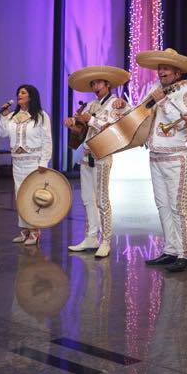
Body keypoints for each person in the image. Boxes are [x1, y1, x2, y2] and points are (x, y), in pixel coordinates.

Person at [136, 49, 187, 273]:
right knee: (163, 205)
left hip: (179, 155)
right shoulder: (160, 91)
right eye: (160, 68)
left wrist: (163, 102)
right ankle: (171, 249)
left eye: (166, 68)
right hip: (157, 154)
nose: (161, 71)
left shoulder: (186, 91)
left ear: (177, 72)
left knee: (178, 206)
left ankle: (186, 254)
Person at [64, 66, 130, 258]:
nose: (95, 86)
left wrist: (90, 120)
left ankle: (106, 240)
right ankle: (91, 236)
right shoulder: (91, 105)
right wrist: (73, 125)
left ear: (107, 84)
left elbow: (115, 129)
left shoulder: (117, 104)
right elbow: (83, 132)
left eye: (98, 82)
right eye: (92, 83)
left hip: (102, 154)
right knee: (86, 198)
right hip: (86, 155)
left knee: (102, 199)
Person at [0, 84, 52, 246]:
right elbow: (3, 133)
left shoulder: (41, 116)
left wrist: (44, 161)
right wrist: (3, 116)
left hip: (33, 162)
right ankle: (25, 230)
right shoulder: (13, 116)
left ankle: (35, 230)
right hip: (18, 162)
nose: (19, 95)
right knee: (19, 196)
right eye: (18, 93)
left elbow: (47, 140)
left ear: (31, 96)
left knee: (32, 196)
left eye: (23, 92)